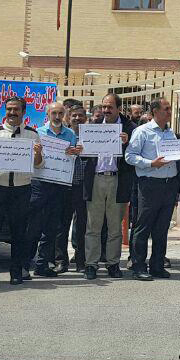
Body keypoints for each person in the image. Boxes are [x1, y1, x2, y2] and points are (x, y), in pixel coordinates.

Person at [0, 96, 43, 286]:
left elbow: (39, 164)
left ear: (23, 112)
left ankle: (16, 272)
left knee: (19, 232)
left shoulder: (32, 135)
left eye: (16, 109)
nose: (12, 113)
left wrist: (38, 154)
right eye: (9, 109)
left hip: (21, 189)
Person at [124, 98, 180, 281]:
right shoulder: (143, 131)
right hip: (150, 184)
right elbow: (130, 156)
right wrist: (150, 163)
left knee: (162, 228)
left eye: (170, 108)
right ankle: (138, 266)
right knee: (143, 227)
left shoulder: (170, 133)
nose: (169, 112)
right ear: (155, 111)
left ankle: (157, 265)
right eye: (166, 109)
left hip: (169, 184)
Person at [81, 93, 134, 280]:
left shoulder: (130, 128)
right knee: (93, 226)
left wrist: (127, 143)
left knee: (114, 227)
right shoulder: (93, 127)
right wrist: (81, 149)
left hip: (117, 180)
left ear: (119, 108)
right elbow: (85, 155)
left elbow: (134, 156)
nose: (106, 110)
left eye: (110, 107)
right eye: (104, 107)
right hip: (96, 180)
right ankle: (91, 264)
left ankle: (113, 263)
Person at [28, 102, 80, 277]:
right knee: (34, 226)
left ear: (64, 115)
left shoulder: (70, 134)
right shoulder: (38, 133)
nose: (57, 117)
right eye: (54, 113)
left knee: (52, 227)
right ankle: (24, 264)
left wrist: (75, 152)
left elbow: (72, 158)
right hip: (40, 183)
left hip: (59, 185)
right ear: (48, 114)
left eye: (60, 113)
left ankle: (42, 264)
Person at [59, 101, 89, 272]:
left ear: (86, 118)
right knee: (62, 224)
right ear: (68, 118)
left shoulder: (91, 136)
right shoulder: (63, 135)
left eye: (81, 116)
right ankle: (61, 260)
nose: (77, 118)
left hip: (83, 186)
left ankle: (80, 260)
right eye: (74, 116)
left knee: (82, 225)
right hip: (64, 184)